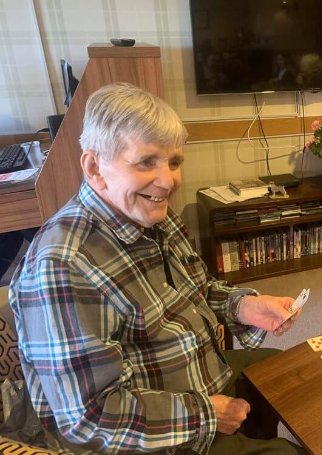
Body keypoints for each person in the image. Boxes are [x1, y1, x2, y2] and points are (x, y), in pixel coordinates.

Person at [9, 83, 306, 454]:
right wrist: (205, 415)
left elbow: (198, 289)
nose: (168, 181)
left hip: (193, 374)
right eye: (146, 162)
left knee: (287, 373)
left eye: (174, 161)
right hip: (148, 440)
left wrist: (246, 306)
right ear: (94, 167)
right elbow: (87, 417)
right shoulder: (62, 266)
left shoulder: (152, 216)